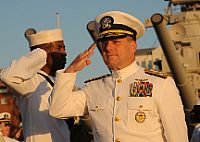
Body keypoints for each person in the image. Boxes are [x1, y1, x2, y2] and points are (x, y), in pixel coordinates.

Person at [49, 10, 188, 142]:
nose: (108, 48)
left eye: (116, 42)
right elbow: (58, 109)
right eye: (105, 43)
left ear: (132, 46)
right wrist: (71, 71)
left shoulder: (160, 84)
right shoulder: (93, 88)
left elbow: (177, 137)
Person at [0, 28, 70, 142]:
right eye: (59, 48)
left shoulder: (58, 81)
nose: (64, 53)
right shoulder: (31, 81)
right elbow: (7, 76)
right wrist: (40, 53)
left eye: (64, 48)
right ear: (45, 51)